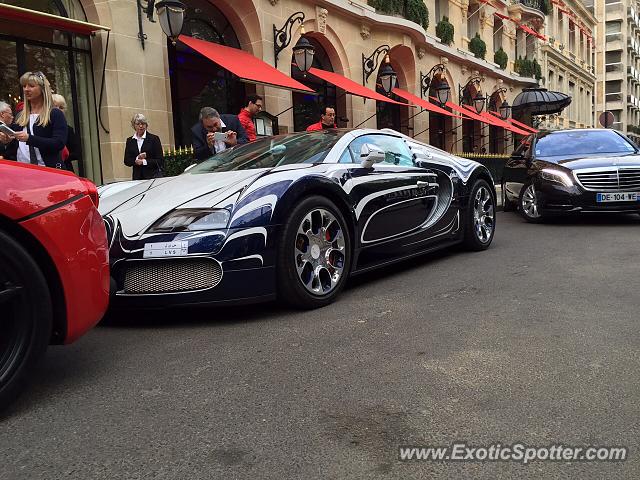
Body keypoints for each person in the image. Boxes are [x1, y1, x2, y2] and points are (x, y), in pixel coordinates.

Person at [3, 71, 68, 169]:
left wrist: (30, 139)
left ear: (42, 89)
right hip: (23, 171)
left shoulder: (55, 114)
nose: (26, 89)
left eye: (31, 86)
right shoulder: (20, 116)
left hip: (49, 171)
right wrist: (7, 140)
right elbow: (15, 146)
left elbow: (58, 143)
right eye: (24, 86)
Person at [123, 113, 163, 180]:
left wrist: (144, 162)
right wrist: (137, 159)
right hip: (137, 178)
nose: (141, 126)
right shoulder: (130, 141)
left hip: (152, 177)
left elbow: (160, 160)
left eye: (143, 124)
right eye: (138, 124)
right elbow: (127, 161)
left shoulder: (154, 139)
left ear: (146, 125)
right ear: (134, 126)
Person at [52, 93, 82, 172]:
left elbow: (77, 153)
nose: (58, 110)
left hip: (65, 169)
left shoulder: (68, 129)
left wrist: (64, 155)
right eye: (54, 107)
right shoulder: (42, 128)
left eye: (61, 107)